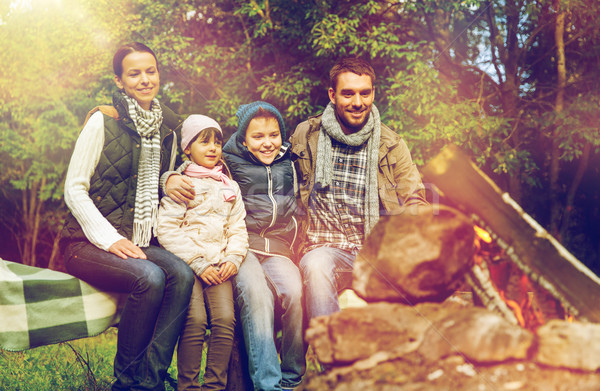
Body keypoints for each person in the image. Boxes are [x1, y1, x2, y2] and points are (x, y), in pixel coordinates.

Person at [60, 42, 194, 390]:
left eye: (151, 71)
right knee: (149, 277)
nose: (145, 79)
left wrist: (170, 177)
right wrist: (110, 239)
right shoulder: (104, 120)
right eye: (134, 73)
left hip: (139, 237)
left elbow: (159, 178)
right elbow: (74, 189)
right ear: (119, 81)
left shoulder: (168, 125)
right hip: (85, 242)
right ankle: (126, 382)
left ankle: (150, 379)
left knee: (181, 273)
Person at [290, 57, 428, 321]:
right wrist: (188, 175)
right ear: (332, 95)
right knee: (316, 265)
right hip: (322, 248)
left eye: (365, 93)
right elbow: (267, 164)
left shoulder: (391, 144)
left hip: (375, 251)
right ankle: (335, 358)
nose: (357, 102)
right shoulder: (306, 135)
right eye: (348, 93)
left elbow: (415, 199)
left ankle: (397, 358)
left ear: (373, 93)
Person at [157, 115, 248, 391]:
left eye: (217, 142)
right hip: (190, 266)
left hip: (220, 266)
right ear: (187, 148)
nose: (213, 148)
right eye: (204, 141)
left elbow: (238, 227)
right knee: (194, 320)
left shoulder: (229, 186)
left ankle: (214, 386)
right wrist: (197, 262)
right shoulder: (182, 184)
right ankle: (187, 386)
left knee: (224, 320)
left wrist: (233, 257)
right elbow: (167, 229)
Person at [222, 101, 306, 391]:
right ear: (244, 139)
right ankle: (267, 385)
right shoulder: (227, 161)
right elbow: (192, 169)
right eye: (258, 137)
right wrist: (170, 177)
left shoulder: (289, 161)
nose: (268, 143)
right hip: (241, 246)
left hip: (278, 247)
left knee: (296, 292)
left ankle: (292, 379)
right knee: (257, 295)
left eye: (274, 135)